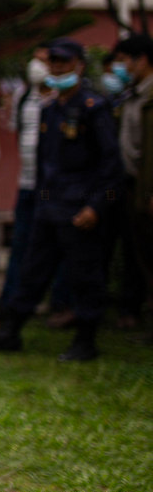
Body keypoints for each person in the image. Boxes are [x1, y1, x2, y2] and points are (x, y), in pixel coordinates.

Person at [0, 38, 123, 361]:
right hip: (48, 206)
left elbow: (111, 163)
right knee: (31, 271)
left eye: (63, 63)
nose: (56, 68)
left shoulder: (94, 108)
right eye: (53, 62)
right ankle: (10, 332)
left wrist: (95, 207)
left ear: (79, 65)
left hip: (79, 209)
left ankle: (86, 340)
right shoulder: (50, 109)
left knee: (85, 275)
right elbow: (43, 164)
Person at [0, 49, 51, 323]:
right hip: (28, 184)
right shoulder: (22, 98)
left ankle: (60, 306)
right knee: (20, 246)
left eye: (44, 60)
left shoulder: (65, 97)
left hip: (56, 187)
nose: (37, 66)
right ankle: (8, 305)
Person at [111, 33, 153, 332]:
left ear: (143, 60)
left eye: (125, 61)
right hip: (127, 186)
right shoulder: (131, 94)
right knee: (134, 252)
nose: (121, 67)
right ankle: (131, 311)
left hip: (147, 188)